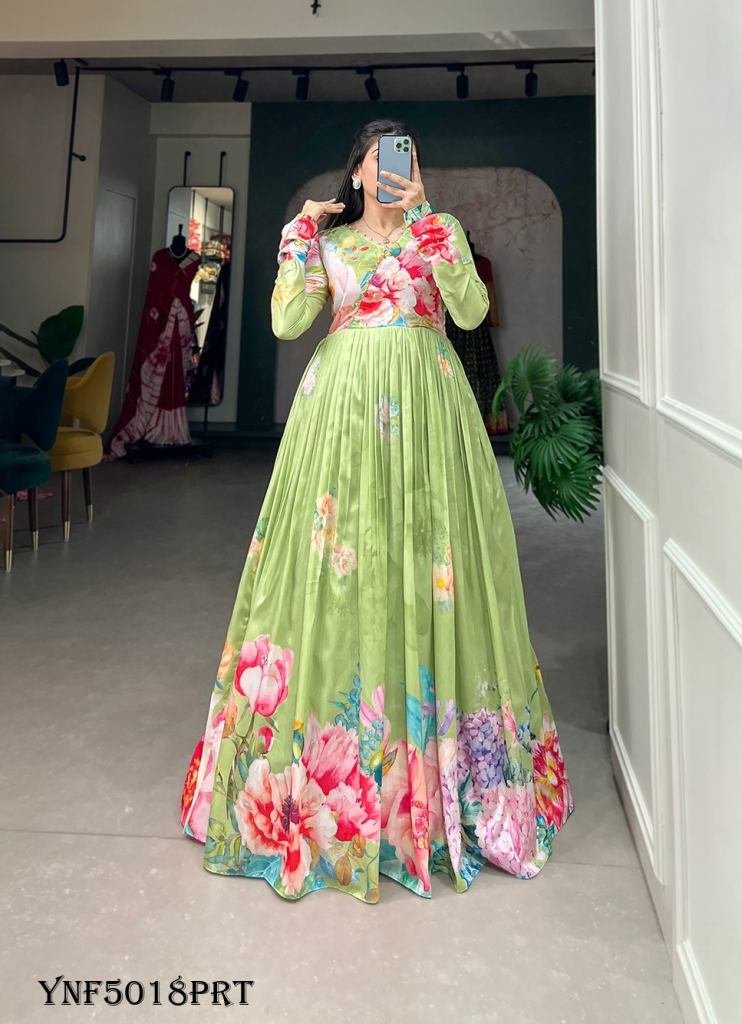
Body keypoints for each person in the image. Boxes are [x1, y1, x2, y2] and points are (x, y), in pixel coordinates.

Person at [179, 118, 573, 903]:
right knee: (337, 570)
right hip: (342, 419)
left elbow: (469, 313)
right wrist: (297, 237)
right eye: (382, 159)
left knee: (433, 568)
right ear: (357, 172)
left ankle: (441, 788)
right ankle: (333, 786)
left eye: (408, 158)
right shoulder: (327, 242)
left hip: (430, 418)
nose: (397, 169)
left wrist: (429, 220)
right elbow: (287, 323)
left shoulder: (438, 230)